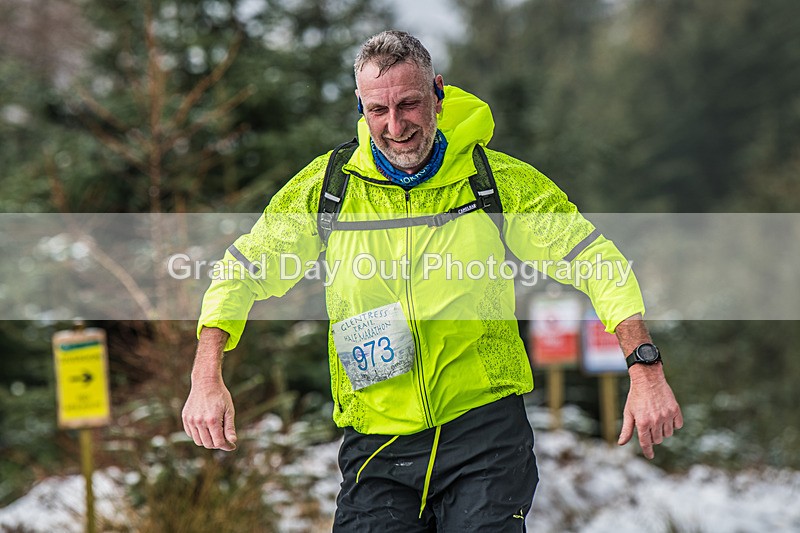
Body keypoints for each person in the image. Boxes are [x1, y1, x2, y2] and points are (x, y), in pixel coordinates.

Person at [182, 30, 682, 531]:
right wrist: (206, 375)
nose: (395, 125)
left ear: (437, 94)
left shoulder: (494, 182)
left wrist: (644, 367)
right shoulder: (328, 189)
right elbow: (242, 270)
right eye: (377, 110)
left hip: (483, 435)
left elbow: (595, 259)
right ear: (360, 106)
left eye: (409, 104)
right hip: (376, 442)